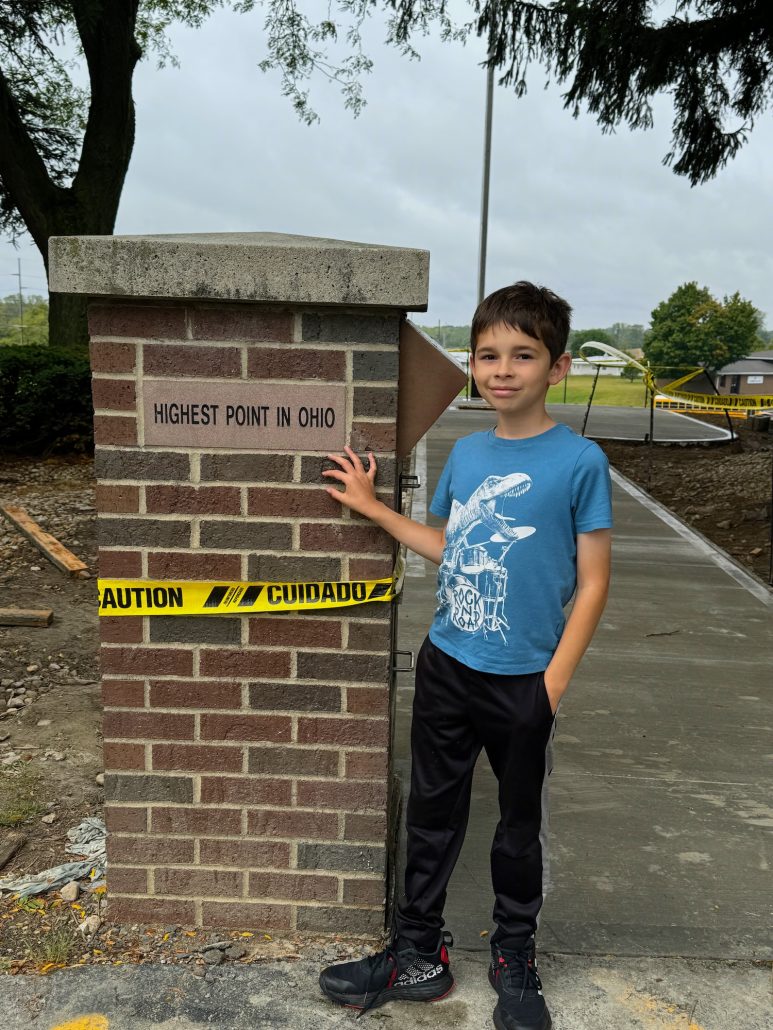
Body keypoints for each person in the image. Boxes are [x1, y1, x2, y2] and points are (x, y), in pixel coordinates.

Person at [318, 282, 613, 1030]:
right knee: (430, 817)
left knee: (516, 830)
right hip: (448, 664)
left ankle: (515, 957)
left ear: (558, 367)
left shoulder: (579, 461)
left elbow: (593, 582)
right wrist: (372, 508)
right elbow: (448, 545)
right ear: (473, 364)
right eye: (488, 355)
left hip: (524, 681)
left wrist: (550, 685)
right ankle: (417, 953)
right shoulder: (466, 451)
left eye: (522, 354)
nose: (503, 369)